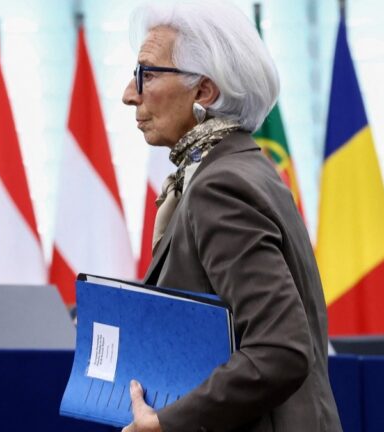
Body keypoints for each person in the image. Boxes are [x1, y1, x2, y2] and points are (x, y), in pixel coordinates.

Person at [121, 2, 342, 431]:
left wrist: (166, 424)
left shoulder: (221, 186)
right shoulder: (238, 167)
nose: (130, 93)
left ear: (203, 92)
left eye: (146, 73)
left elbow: (280, 348)